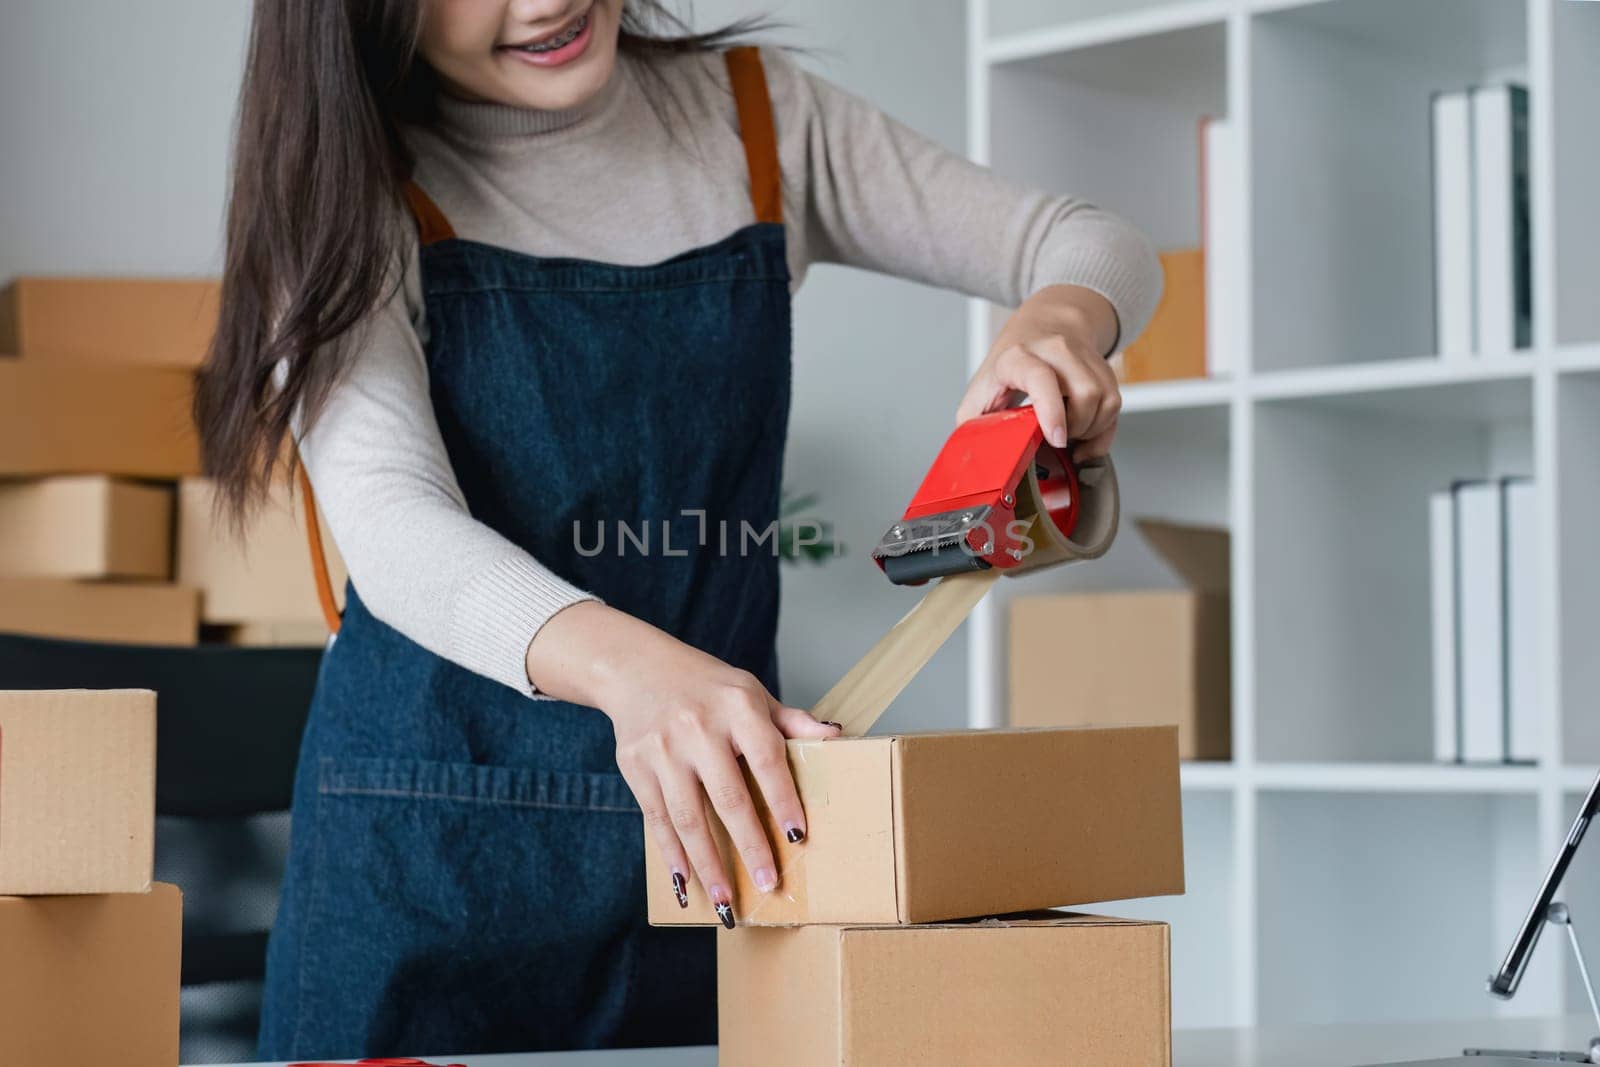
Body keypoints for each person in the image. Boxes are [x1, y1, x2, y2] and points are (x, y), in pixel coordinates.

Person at [195, 0, 1161, 1059]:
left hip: (718, 846)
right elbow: (393, 528)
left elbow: (1087, 238)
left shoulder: (756, 117)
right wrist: (640, 679)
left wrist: (1053, 325)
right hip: (426, 854)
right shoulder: (351, 187)